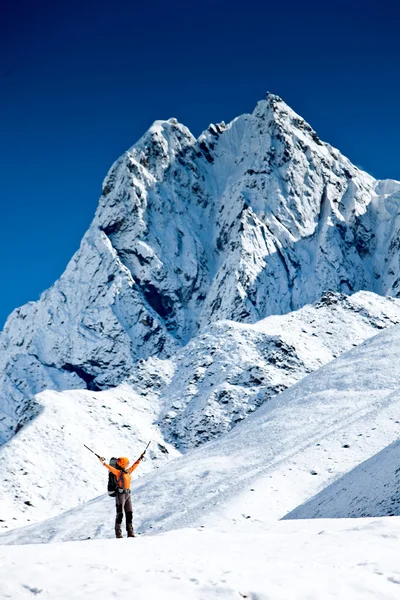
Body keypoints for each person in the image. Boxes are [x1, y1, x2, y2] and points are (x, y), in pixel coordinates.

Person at [98, 453, 145, 538]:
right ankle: (118, 534)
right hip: (120, 495)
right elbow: (109, 467)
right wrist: (103, 462)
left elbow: (135, 465)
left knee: (129, 513)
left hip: (127, 495)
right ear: (123, 464)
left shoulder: (128, 471)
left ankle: (130, 533)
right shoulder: (118, 473)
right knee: (120, 514)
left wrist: (140, 459)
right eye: (127, 463)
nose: (128, 464)